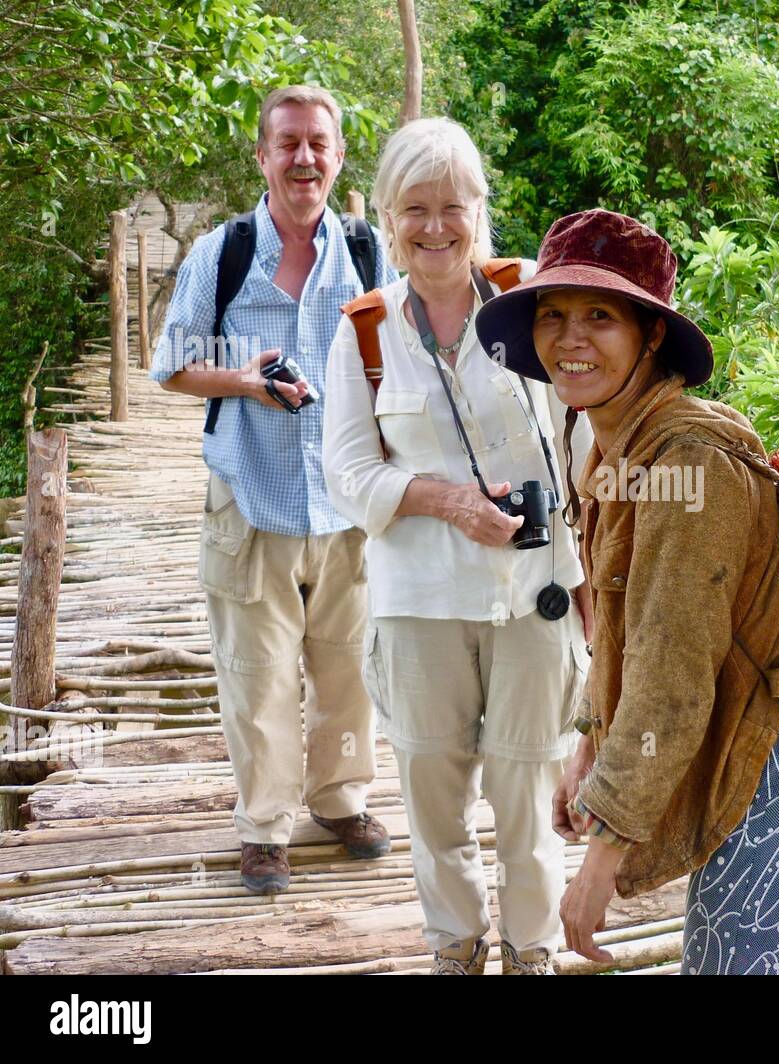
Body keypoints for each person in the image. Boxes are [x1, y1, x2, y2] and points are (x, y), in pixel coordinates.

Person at [475, 208, 779, 975]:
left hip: (767, 752)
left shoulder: (691, 466)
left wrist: (601, 860)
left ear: (651, 335)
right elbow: (619, 625)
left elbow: (673, 670)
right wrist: (589, 741)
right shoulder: (612, 446)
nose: (570, 340)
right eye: (553, 315)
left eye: (600, 318)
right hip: (729, 742)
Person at [322, 117, 594, 976]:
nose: (434, 226)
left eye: (453, 205)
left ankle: (531, 951)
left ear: (482, 209)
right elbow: (347, 471)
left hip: (534, 599)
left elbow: (587, 437)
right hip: (418, 605)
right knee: (435, 803)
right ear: (388, 217)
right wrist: (444, 500)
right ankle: (456, 946)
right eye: (414, 208)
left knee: (528, 795)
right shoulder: (364, 332)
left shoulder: (534, 306)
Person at [150, 86, 398, 895]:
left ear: (336, 157)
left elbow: (396, 354)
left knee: (349, 670)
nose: (304, 158)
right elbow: (171, 365)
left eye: (318, 144)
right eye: (287, 143)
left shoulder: (365, 252)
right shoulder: (221, 255)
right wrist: (246, 383)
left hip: (345, 505)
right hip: (249, 500)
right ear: (262, 156)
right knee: (256, 675)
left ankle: (340, 799)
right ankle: (263, 826)